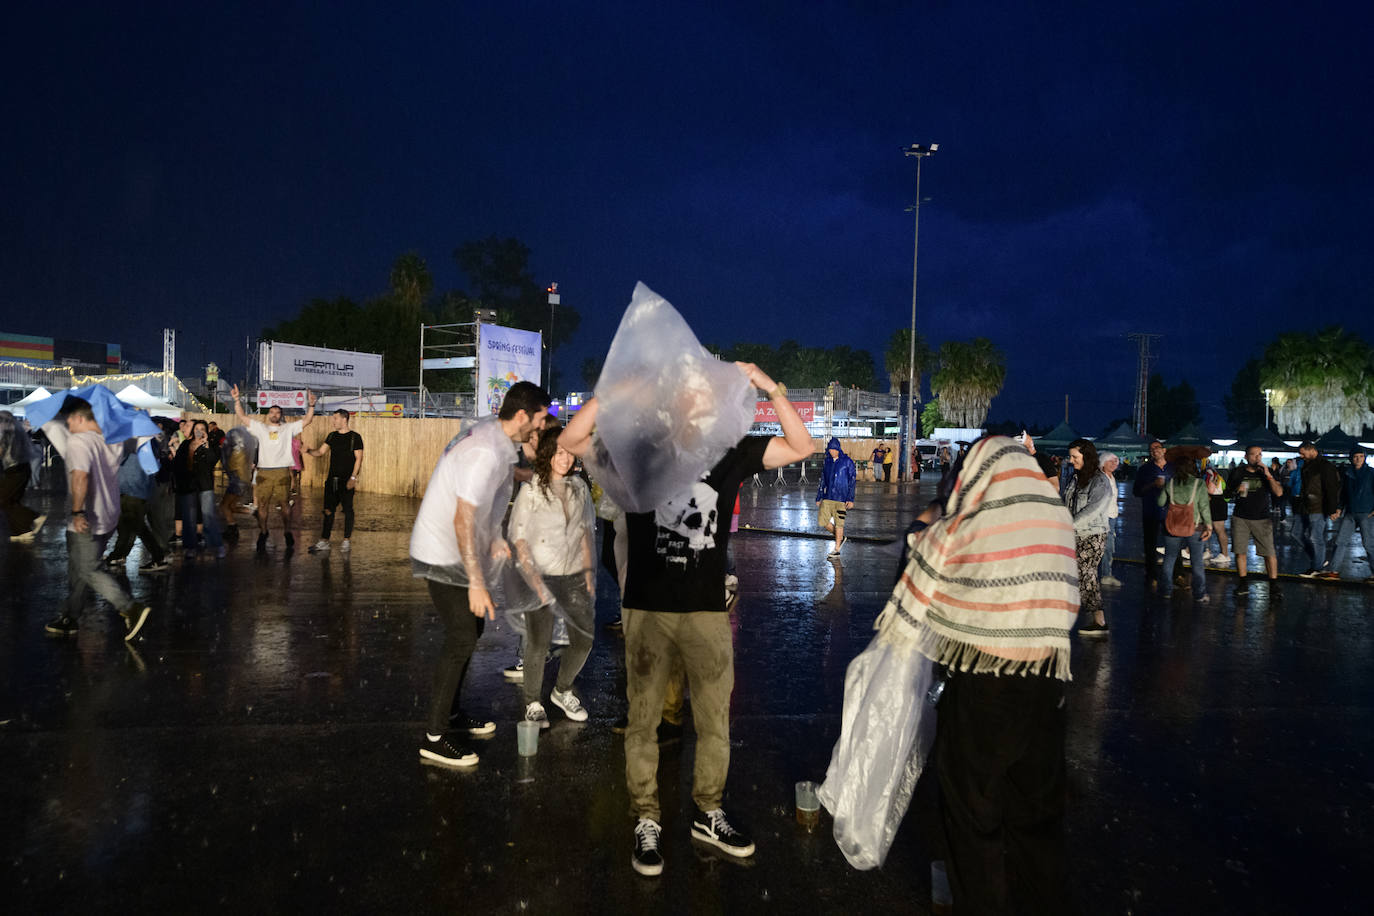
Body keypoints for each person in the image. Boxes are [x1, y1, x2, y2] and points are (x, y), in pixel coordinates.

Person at [560, 362, 813, 877]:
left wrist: (768, 387)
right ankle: (646, 819)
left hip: (705, 613)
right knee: (644, 721)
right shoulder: (635, 456)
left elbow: (802, 446)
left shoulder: (728, 453)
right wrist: (617, 390)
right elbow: (571, 435)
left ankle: (708, 811)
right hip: (648, 611)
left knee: (715, 721)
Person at [899, 437, 1079, 913]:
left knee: (973, 808)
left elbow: (917, 567)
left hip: (984, 681)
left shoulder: (970, 524)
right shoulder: (1056, 516)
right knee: (1037, 812)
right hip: (1047, 682)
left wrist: (930, 517)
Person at [411, 381, 551, 769]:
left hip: (456, 548)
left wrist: (522, 479)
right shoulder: (486, 451)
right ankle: (435, 737)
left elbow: (498, 478)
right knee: (460, 637)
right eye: (538, 421)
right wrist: (475, 580)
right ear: (521, 415)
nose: (538, 429)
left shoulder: (495, 432)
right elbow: (463, 518)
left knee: (470, 633)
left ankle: (452, 715)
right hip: (444, 552)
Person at [508, 425, 596, 728]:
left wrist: (588, 572)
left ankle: (562, 690)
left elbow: (585, 532)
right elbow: (519, 540)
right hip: (540, 575)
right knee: (539, 641)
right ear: (547, 455)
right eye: (560, 452)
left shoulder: (578, 488)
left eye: (570, 453)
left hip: (572, 575)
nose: (566, 459)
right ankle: (533, 701)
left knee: (584, 637)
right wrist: (534, 582)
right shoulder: (531, 491)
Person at [44, 397, 151, 640]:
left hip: (86, 518)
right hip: (108, 514)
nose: (68, 425)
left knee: (88, 569)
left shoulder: (79, 442)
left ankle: (131, 608)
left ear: (80, 419)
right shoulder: (112, 440)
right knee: (78, 569)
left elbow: (80, 477)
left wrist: (77, 512)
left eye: (70, 420)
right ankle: (69, 617)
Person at [229, 384, 316, 552]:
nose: (275, 414)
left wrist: (311, 406)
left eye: (278, 412)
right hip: (264, 472)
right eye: (272, 412)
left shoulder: (288, 428)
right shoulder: (260, 428)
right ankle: (263, 532)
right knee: (262, 505)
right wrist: (236, 400)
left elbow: (307, 420)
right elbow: (242, 416)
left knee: (284, 504)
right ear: (268, 414)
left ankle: (287, 531)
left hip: (282, 471)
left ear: (281, 415)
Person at [1064, 439, 1113, 636]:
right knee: (1083, 575)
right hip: (1074, 534)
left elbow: (1093, 510)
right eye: (1071, 456)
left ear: (1087, 456)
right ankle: (1097, 620)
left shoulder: (1100, 481)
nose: (1071, 460)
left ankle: (1099, 621)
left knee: (1085, 573)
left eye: (1075, 456)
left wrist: (1069, 525)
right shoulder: (1075, 478)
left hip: (1092, 535)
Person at [1226, 445, 1283, 597]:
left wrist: (1268, 475)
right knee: (1240, 551)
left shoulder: (1266, 472)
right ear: (1246, 457)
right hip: (1241, 517)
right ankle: (1243, 583)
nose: (1257, 458)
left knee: (1269, 552)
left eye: (1260, 454)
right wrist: (1234, 491)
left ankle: (1274, 585)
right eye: (1253, 455)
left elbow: (1278, 492)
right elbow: (1227, 493)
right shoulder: (1238, 472)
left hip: (1262, 518)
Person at [306, 409, 364, 554]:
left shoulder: (354, 437)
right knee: (327, 510)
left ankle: (346, 541)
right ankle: (325, 541)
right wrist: (308, 450)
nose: (333, 421)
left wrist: (353, 478)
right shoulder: (332, 436)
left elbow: (359, 458)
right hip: (332, 480)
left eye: (336, 418)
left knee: (348, 510)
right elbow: (320, 452)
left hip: (347, 480)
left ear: (344, 419)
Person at [1157, 458, 1211, 603]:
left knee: (1169, 558)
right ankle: (1199, 594)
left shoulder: (1171, 483)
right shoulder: (1198, 484)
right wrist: (1209, 526)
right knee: (1197, 561)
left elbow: (1160, 502)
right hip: (1195, 527)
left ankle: (1166, 591)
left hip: (1172, 526)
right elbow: (1204, 507)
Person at [173, 419, 224, 559]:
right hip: (188, 485)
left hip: (205, 485)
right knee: (189, 518)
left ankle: (216, 545)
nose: (199, 431)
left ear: (206, 431)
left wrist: (206, 445)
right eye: (197, 428)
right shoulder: (186, 444)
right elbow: (178, 464)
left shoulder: (211, 445)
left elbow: (213, 460)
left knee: (208, 517)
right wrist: (191, 450)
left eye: (202, 428)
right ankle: (190, 547)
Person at [1296, 441, 1341, 578]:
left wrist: (1333, 509)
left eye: (1303, 453)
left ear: (1311, 450)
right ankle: (1318, 559)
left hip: (1318, 507)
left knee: (1316, 538)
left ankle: (1317, 567)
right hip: (1305, 507)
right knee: (1296, 533)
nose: (1301, 456)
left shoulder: (1325, 466)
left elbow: (1332, 488)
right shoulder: (1308, 465)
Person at [1329, 446, 1374, 583]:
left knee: (1368, 544)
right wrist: (1339, 508)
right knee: (1340, 541)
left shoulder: (1371, 473)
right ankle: (1334, 571)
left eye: (1361, 456)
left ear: (1364, 457)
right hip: (1350, 512)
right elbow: (1343, 494)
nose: (1358, 459)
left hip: (1367, 512)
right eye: (1355, 456)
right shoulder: (1348, 473)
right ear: (1351, 458)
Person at [1132, 439, 1172, 589]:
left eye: (1157, 448)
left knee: (1173, 544)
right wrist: (1152, 485)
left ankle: (1176, 574)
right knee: (1150, 545)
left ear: (1164, 450)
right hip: (1150, 511)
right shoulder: (1145, 470)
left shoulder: (1172, 468)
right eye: (1151, 449)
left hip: (1170, 512)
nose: (1154, 451)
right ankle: (1152, 575)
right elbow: (1136, 491)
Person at [0, 410, 45, 542]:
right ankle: (20, 531)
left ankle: (34, 518)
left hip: (14, 471)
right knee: (10, 502)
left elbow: (1, 452)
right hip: (22, 469)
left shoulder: (6, 433)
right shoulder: (17, 432)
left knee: (4, 501)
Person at [816, 436, 856, 559]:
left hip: (841, 498)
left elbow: (852, 480)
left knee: (839, 524)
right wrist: (819, 496)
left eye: (833, 449)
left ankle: (837, 549)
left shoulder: (847, 461)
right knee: (822, 521)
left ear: (838, 448)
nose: (831, 451)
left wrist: (850, 498)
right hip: (828, 497)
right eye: (829, 449)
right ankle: (840, 537)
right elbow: (823, 479)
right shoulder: (827, 462)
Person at [1097, 452, 1123, 588]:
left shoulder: (1112, 477)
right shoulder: (1100, 478)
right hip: (1103, 517)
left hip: (1112, 516)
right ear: (1103, 462)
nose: (1114, 464)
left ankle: (1106, 574)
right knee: (1106, 547)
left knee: (1109, 547)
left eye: (1115, 462)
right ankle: (1105, 575)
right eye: (1110, 461)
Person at [1201, 465, 1231, 567]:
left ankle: (1225, 554)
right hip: (1218, 502)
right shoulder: (1214, 474)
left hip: (1216, 502)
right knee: (1207, 528)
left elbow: (1210, 490)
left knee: (1219, 529)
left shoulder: (1208, 473)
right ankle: (1207, 551)